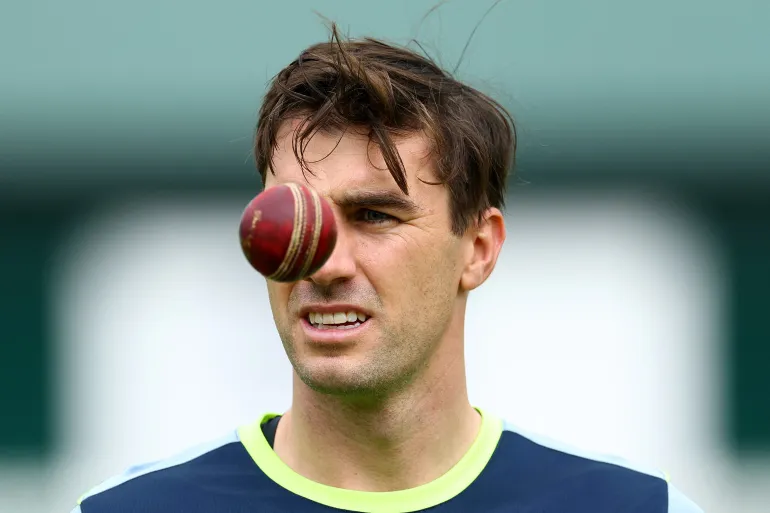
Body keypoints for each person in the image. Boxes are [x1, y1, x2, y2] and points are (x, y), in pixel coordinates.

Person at [72, 25, 703, 513]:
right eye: (296, 216)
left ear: (478, 248)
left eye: (374, 216)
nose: (324, 263)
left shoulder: (633, 508)